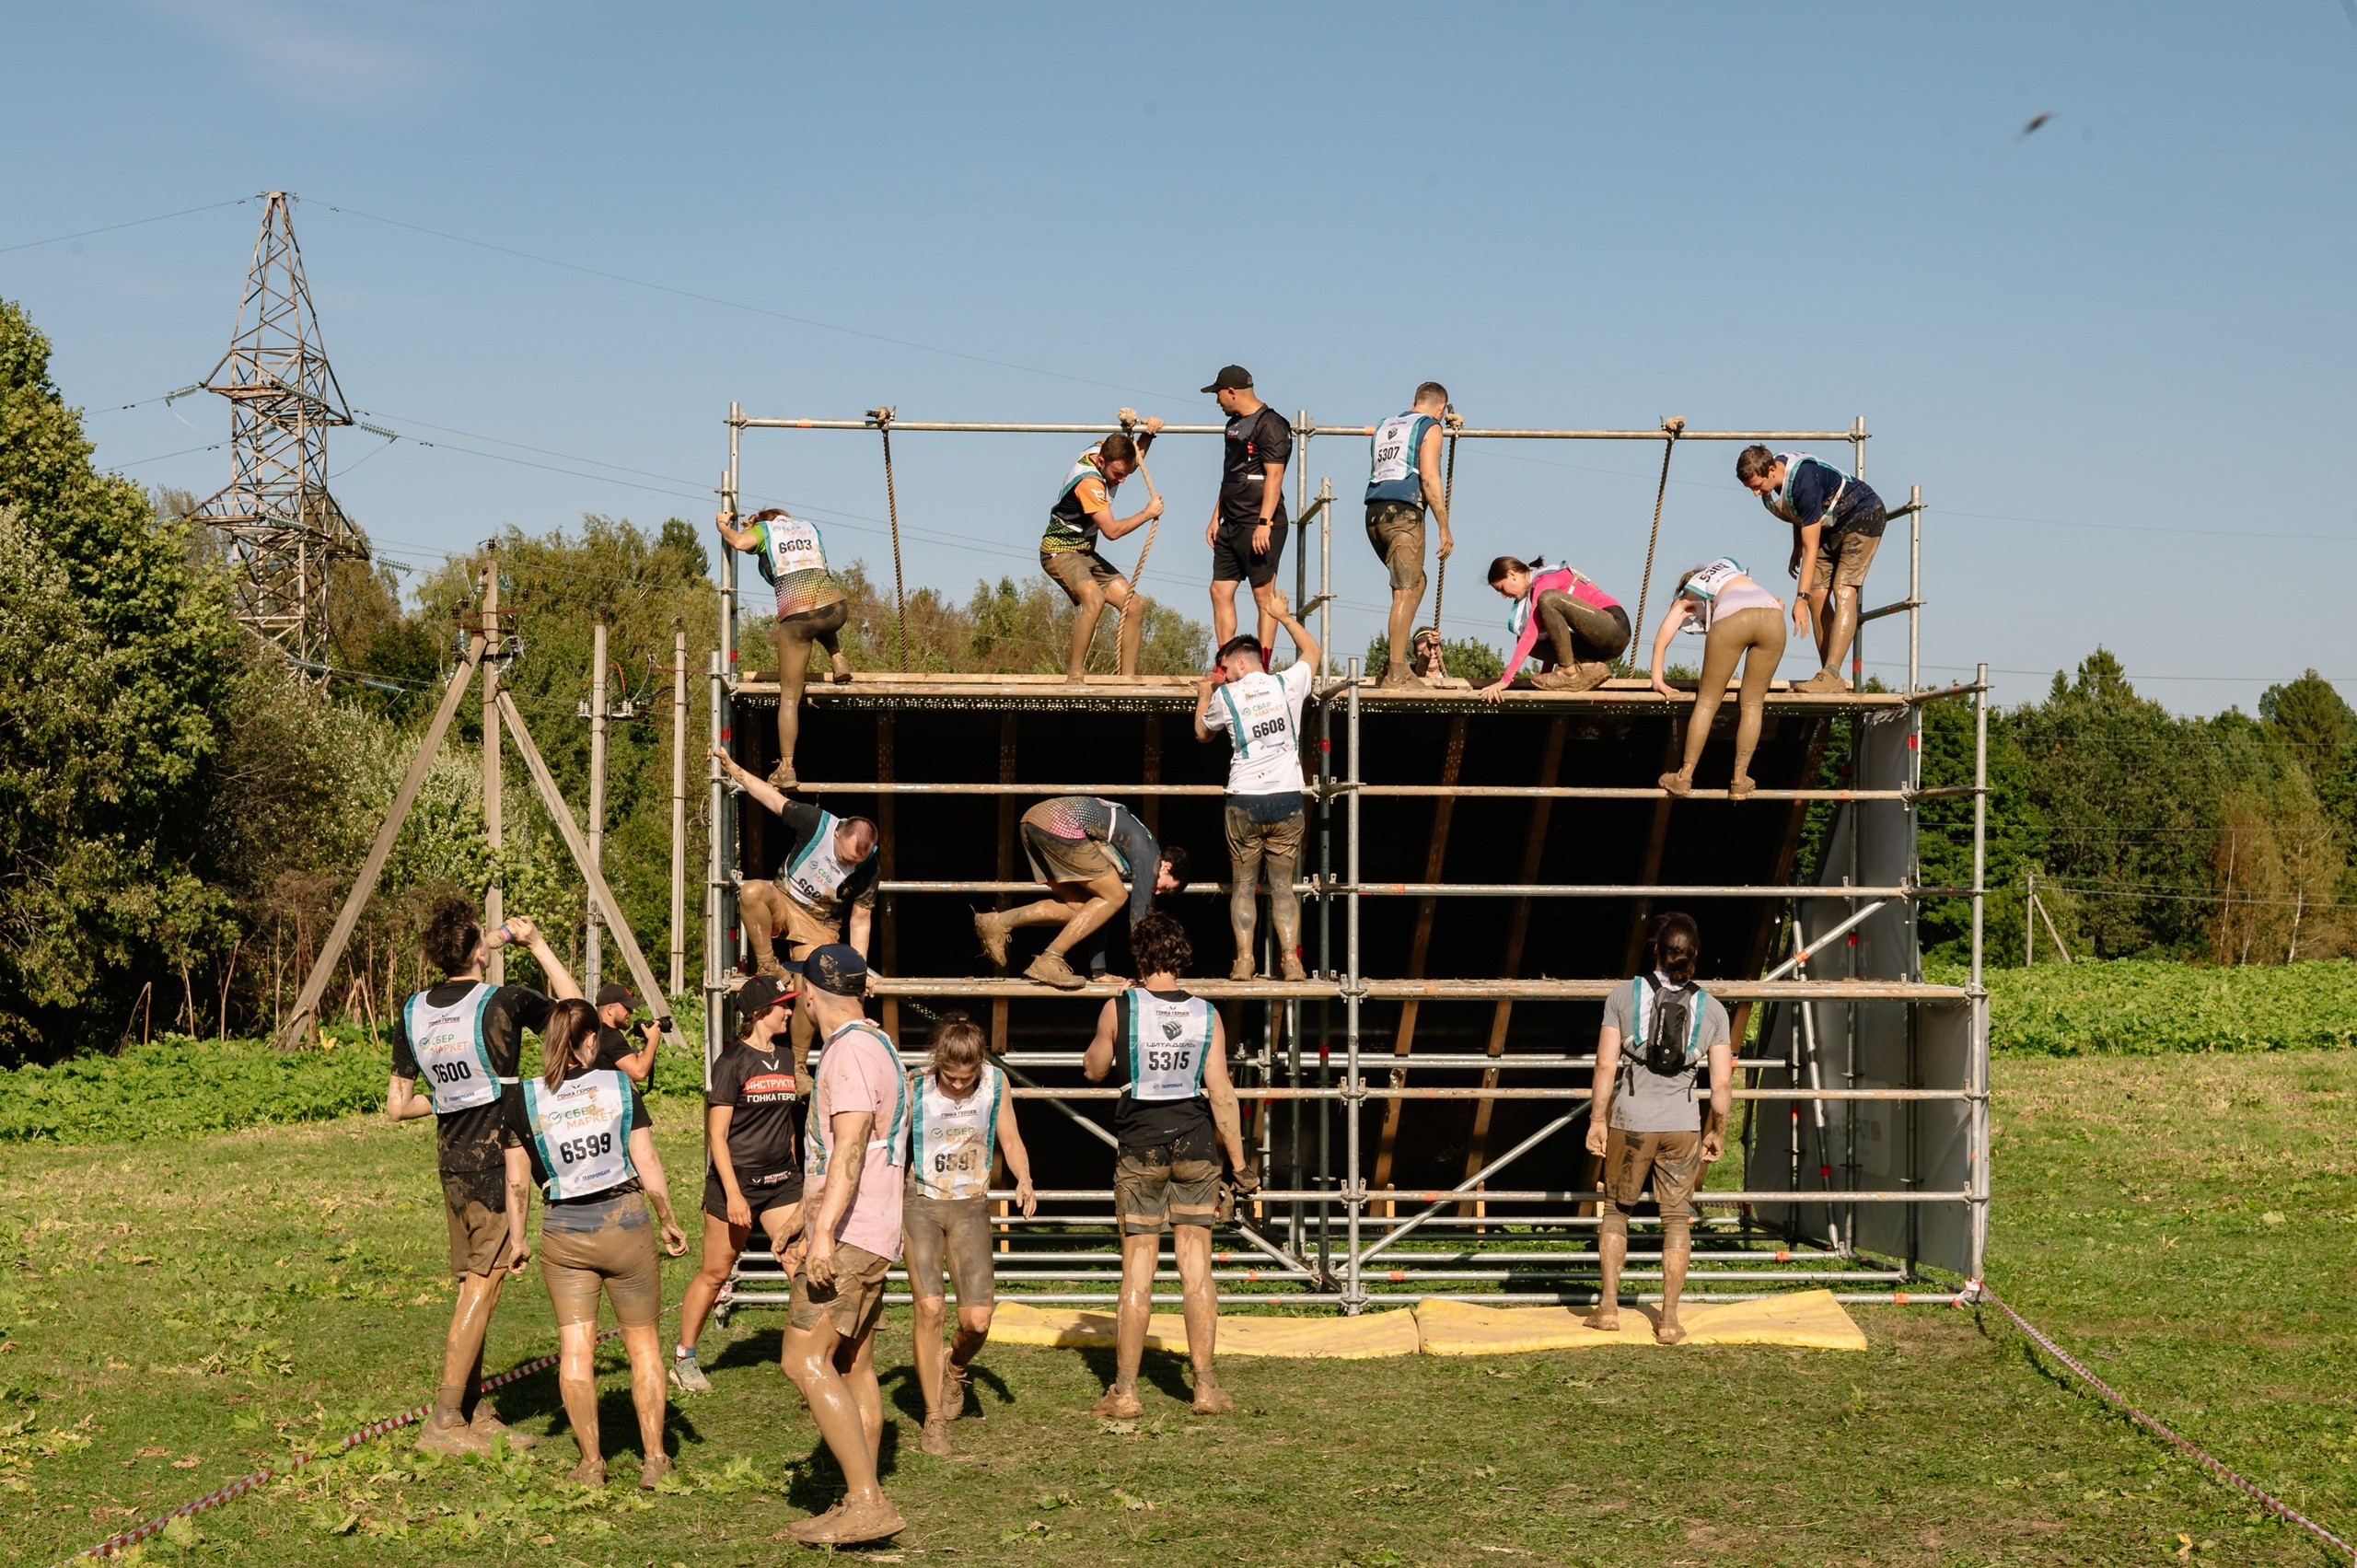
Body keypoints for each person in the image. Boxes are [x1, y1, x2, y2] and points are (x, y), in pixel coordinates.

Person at [387, 900, 580, 1458]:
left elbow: (397, 1106)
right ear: (478, 953)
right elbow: (576, 1015)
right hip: (498, 1159)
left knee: (478, 1282)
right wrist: (537, 945)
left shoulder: (414, 1008)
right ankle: (446, 1418)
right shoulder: (503, 999)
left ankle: (475, 1408)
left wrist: (450, 1096)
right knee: (484, 1285)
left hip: (451, 1161)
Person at [499, 997, 688, 1486]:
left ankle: (590, 1464)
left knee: (576, 1349)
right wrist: (667, 1219)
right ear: (589, 1041)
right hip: (625, 1223)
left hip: (563, 1232)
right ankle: (653, 1460)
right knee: (644, 1345)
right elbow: (646, 1161)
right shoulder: (619, 1084)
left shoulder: (521, 1098)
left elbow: (517, 1182)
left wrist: (517, 1240)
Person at [1080, 912, 1253, 1417]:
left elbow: (1094, 1070)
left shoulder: (1121, 1008)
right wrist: (1239, 1166)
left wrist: (1102, 1037)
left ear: (1140, 957)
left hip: (1139, 1149)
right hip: (1197, 1148)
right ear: (1182, 958)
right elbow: (1221, 1092)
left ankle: (1126, 1393)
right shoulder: (1207, 1014)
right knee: (1196, 1269)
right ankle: (1204, 1389)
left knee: (1138, 1272)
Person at [779, 946, 909, 1546]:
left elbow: (852, 1147)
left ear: (809, 994)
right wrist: (807, 1220)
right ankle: (857, 1494)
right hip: (867, 1226)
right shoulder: (875, 1042)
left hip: (852, 1233)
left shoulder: (850, 1051)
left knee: (802, 1357)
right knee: (853, 1363)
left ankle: (866, 1500)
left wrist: (825, 1230)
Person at [1583, 912, 1733, 1346]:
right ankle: (1668, 1320)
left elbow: (1606, 1064)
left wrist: (1597, 1119)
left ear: (1655, 950)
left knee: (1616, 1211)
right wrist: (1716, 1130)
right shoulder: (1714, 1009)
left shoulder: (1622, 996)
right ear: (1694, 955)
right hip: (1682, 1127)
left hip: (1629, 1123)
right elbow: (1721, 1084)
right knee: (1676, 1220)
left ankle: (1608, 1309)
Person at [904, 1011, 1037, 1457]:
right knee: (930, 1309)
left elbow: (1012, 1137)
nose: (959, 1085)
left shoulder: (996, 1083)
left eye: (967, 1078)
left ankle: (954, 1366)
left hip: (970, 1204)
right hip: (920, 1201)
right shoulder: (915, 1084)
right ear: (938, 1062)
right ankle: (933, 1418)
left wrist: (1023, 1179)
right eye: (950, 1077)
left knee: (976, 1321)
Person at [670, 975, 806, 1395]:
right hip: (737, 1182)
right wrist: (732, 1194)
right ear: (761, 1011)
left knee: (798, 1265)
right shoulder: (731, 1063)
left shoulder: (785, 1057)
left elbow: (786, 1123)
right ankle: (684, 1358)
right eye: (783, 1005)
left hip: (783, 1180)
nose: (789, 1011)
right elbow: (716, 1136)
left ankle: (815, 1356)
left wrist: (795, 1169)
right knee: (714, 1273)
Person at [713, 746, 878, 1058]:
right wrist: (733, 768)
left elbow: (860, 919)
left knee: (809, 987)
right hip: (785, 900)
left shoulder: (869, 865)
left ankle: (799, 1062)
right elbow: (773, 799)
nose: (847, 864)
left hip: (821, 924)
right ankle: (768, 965)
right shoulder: (815, 823)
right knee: (751, 892)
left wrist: (859, 970)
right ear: (839, 834)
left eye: (855, 861)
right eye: (844, 857)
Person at [1193, 591, 1322, 981]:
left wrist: (1204, 693)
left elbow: (1202, 733)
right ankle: (1291, 961)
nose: (1223, 675)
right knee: (1283, 887)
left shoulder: (1226, 696)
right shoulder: (1286, 684)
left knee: (1244, 885)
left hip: (1244, 800)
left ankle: (1244, 961)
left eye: (1224, 668)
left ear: (1241, 662)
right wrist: (1283, 617)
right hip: (1286, 799)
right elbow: (1312, 651)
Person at [974, 796, 1190, 991]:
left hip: (1033, 822)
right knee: (1117, 896)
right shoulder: (1149, 855)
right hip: (1060, 823)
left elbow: (1100, 912)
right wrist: (1151, 976)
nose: (1158, 892)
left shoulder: (1128, 849)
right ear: (1166, 867)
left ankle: (999, 921)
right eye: (1166, 887)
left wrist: (1099, 972)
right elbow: (1138, 919)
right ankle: (1050, 958)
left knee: (1081, 907)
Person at [714, 505, 854, 786]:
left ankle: (787, 767)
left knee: (789, 696)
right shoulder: (810, 528)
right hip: (837, 608)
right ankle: (837, 656)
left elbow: (740, 542)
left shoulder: (765, 531)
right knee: (820, 610)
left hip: (799, 617)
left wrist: (722, 526)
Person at [1735, 446, 1887, 694]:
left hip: (1862, 515)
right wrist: (1796, 546)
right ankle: (1827, 676)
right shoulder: (1777, 480)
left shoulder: (1804, 479)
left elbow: (1812, 548)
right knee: (1818, 595)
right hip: (1831, 524)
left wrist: (1799, 599)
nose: (1755, 493)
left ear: (1771, 469)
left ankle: (1831, 672)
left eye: (1756, 485)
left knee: (1843, 589)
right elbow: (1800, 512)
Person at [1646, 558, 1789, 799]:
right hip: (1773, 618)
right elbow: (1779, 602)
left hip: (1733, 620)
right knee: (1753, 703)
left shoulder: (1689, 594)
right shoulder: (1731, 570)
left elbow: (1662, 638)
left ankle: (1684, 777)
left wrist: (1657, 679)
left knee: (1708, 702)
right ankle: (1740, 780)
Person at [1042, 419, 1166, 680]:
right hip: (1059, 551)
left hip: (1084, 553)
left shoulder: (1106, 450)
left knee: (1135, 605)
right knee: (1094, 599)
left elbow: (1133, 458)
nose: (1121, 480)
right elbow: (1111, 531)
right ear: (1101, 463)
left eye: (1124, 474)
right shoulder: (1089, 484)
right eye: (1117, 474)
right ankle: (1074, 676)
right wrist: (1147, 513)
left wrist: (1148, 434)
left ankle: (1127, 679)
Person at [1364, 383, 1455, 687]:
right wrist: (1443, 526)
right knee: (1404, 591)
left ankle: (1399, 662)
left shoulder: (1386, 425)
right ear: (1440, 410)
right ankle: (1397, 670)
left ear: (1414, 402)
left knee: (1417, 582)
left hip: (1374, 515)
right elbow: (1429, 477)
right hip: (1404, 516)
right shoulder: (1430, 428)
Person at [1200, 366, 1293, 656]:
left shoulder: (1272, 423)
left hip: (1260, 524)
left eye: (1218, 395)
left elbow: (1275, 477)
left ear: (1231, 392)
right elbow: (1230, 475)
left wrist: (1264, 523)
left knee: (1263, 596)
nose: (1217, 402)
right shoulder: (1232, 426)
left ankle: (1261, 668)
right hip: (1230, 523)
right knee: (1219, 591)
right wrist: (1216, 517)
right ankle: (1225, 663)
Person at [1479, 556, 1629, 700]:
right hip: (1597, 647)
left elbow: (1531, 632)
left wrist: (1506, 680)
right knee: (1534, 642)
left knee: (1548, 599)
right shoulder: (1535, 589)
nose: (1503, 596)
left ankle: (1568, 673)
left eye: (1501, 588)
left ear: (1512, 574)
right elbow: (1553, 638)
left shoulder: (1544, 580)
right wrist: (1546, 679)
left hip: (1615, 627)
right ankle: (1588, 668)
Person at [590, 981, 658, 1086]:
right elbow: (639, 1073)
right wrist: (653, 1040)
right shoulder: (610, 1037)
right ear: (610, 1009)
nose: (631, 1012)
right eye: (626, 1007)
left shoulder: (593, 1031)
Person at [1407, 625, 1471, 690]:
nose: (1431, 653)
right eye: (1422, 650)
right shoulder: (1410, 681)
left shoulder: (1453, 684)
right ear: (1415, 654)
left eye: (1434, 648)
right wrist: (1427, 647)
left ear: (1441, 650)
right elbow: (1419, 671)